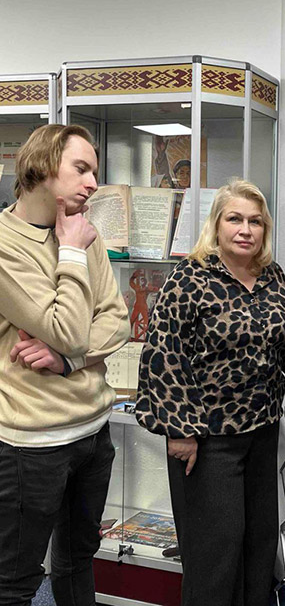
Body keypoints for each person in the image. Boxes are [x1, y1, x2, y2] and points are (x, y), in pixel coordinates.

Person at [135, 178, 285, 606]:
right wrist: (180, 430)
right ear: (216, 224)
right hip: (208, 439)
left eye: (255, 221)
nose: (246, 230)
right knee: (215, 552)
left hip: (263, 431)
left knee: (259, 543)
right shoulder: (188, 278)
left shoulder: (273, 277)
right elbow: (164, 356)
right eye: (235, 219)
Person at [0, 124, 130, 605]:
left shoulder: (82, 229)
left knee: (78, 561)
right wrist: (72, 250)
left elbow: (116, 320)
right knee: (15, 580)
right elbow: (70, 328)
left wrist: (68, 359)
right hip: (33, 442)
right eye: (82, 169)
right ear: (42, 166)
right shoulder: (8, 244)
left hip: (94, 429)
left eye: (95, 171)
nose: (93, 183)